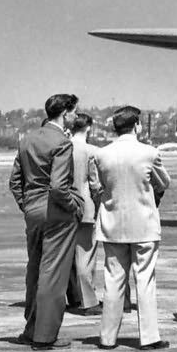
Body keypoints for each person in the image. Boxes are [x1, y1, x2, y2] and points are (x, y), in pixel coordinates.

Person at [89, 106, 172, 350]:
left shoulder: (102, 155)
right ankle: (148, 337)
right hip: (143, 223)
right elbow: (163, 181)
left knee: (114, 279)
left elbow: (100, 186)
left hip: (112, 224)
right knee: (145, 279)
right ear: (136, 125)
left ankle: (107, 337)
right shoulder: (149, 152)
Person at [12, 93, 85, 349]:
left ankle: (31, 329)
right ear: (65, 113)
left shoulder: (27, 140)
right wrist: (75, 205)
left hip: (33, 210)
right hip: (55, 212)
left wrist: (28, 205)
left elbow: (15, 182)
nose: (76, 116)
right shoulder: (63, 142)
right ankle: (44, 335)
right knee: (53, 275)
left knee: (34, 271)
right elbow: (58, 186)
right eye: (75, 112)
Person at [67, 112, 102, 315]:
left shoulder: (61, 147)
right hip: (86, 208)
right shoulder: (92, 151)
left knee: (67, 256)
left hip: (63, 208)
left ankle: (73, 296)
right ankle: (88, 301)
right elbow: (95, 184)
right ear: (88, 127)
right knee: (85, 257)